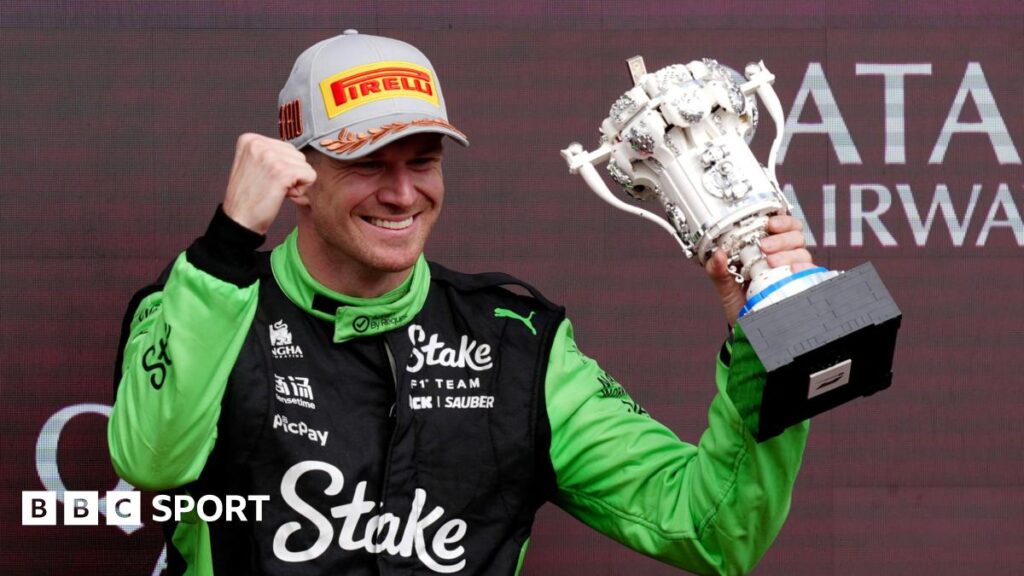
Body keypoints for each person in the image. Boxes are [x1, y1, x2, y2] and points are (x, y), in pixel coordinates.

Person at [109, 30, 814, 576]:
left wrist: (769, 339)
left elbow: (714, 531)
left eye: (422, 161)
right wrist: (226, 248)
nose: (403, 193)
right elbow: (151, 461)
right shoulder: (207, 299)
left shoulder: (516, 344)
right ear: (299, 177)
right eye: (367, 163)